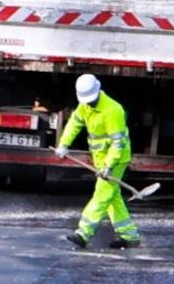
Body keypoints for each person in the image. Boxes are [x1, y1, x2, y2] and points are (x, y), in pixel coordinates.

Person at [54, 74, 140, 250]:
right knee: (112, 197)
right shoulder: (85, 106)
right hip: (100, 159)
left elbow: (118, 143)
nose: (89, 103)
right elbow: (74, 124)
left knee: (101, 196)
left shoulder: (113, 110)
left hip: (116, 160)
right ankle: (130, 236)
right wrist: (63, 144)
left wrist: (109, 166)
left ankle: (83, 234)